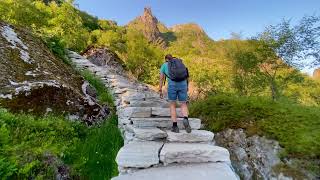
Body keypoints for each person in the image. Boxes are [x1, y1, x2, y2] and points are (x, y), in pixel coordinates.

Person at [159, 54, 191, 133]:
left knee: (172, 105)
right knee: (183, 104)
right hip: (183, 84)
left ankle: (175, 126)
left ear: (166, 59)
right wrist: (187, 86)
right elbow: (186, 76)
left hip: (172, 85)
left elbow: (161, 78)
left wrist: (160, 89)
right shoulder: (180, 63)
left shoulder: (164, 65)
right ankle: (185, 118)